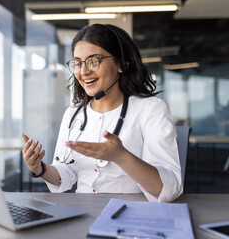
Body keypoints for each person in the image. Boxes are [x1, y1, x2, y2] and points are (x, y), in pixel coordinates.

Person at [21, 24, 182, 203]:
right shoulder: (73, 115)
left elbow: (168, 187)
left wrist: (121, 156)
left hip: (132, 216)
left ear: (121, 64)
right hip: (83, 214)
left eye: (93, 61)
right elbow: (65, 173)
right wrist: (39, 168)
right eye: (77, 63)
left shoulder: (151, 109)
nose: (83, 72)